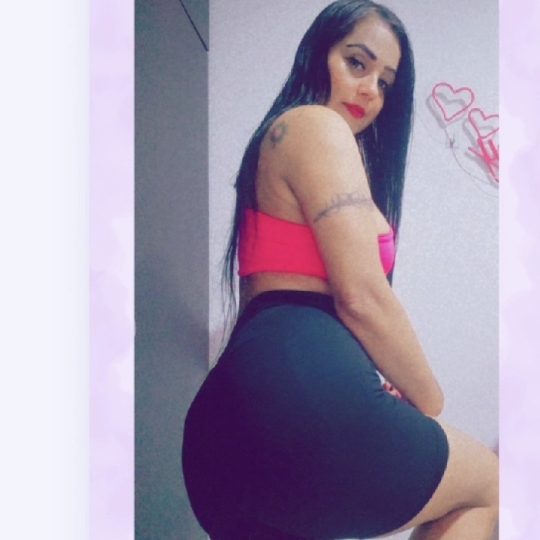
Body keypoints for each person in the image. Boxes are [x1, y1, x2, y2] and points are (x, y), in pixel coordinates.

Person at [182, 1, 498, 538]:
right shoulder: (317, 125)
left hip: (218, 436)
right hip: (300, 403)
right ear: (318, 54)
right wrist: (427, 401)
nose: (371, 89)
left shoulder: (275, 144)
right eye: (357, 62)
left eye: (386, 82)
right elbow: (362, 297)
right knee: (492, 483)